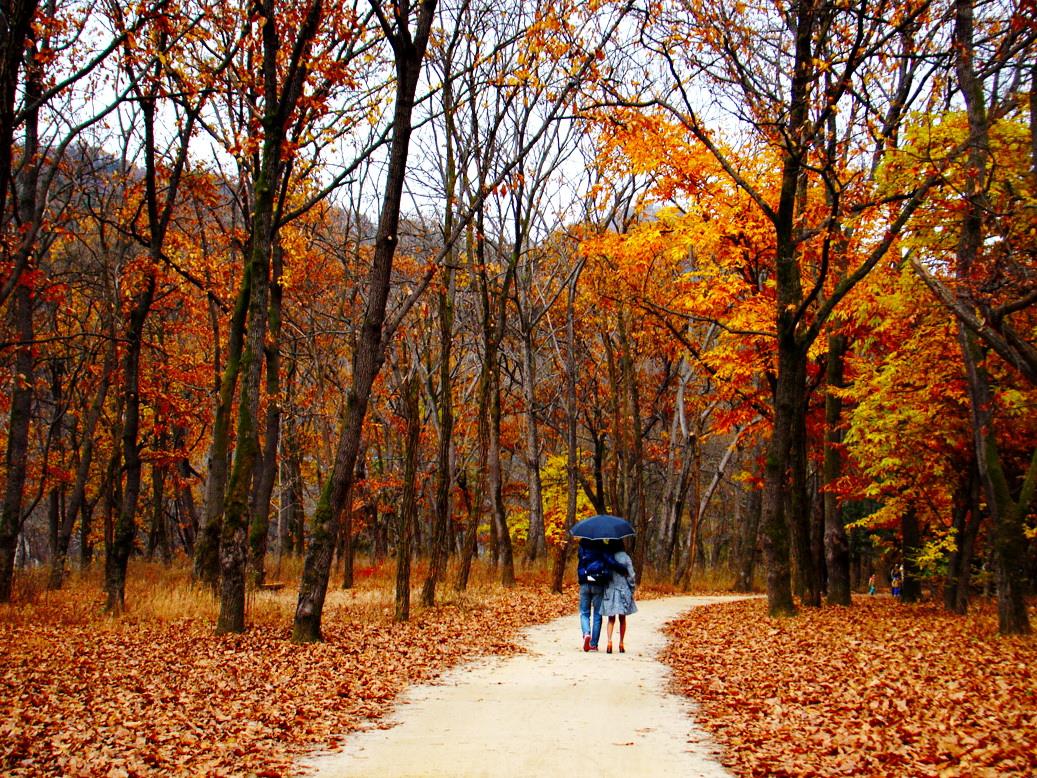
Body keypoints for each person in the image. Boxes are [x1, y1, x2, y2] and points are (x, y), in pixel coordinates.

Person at [576, 538, 619, 652]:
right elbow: (610, 564)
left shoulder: (583, 546)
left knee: (584, 613)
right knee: (597, 615)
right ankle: (593, 644)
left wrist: (583, 576)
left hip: (585, 582)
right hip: (598, 583)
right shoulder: (603, 547)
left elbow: (580, 562)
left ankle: (586, 634)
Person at [600, 539, 637, 654]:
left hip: (610, 590)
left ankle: (609, 642)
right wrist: (632, 588)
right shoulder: (626, 558)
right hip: (623, 590)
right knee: (622, 619)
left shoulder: (608, 558)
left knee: (611, 619)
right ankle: (621, 643)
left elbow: (604, 574)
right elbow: (631, 576)